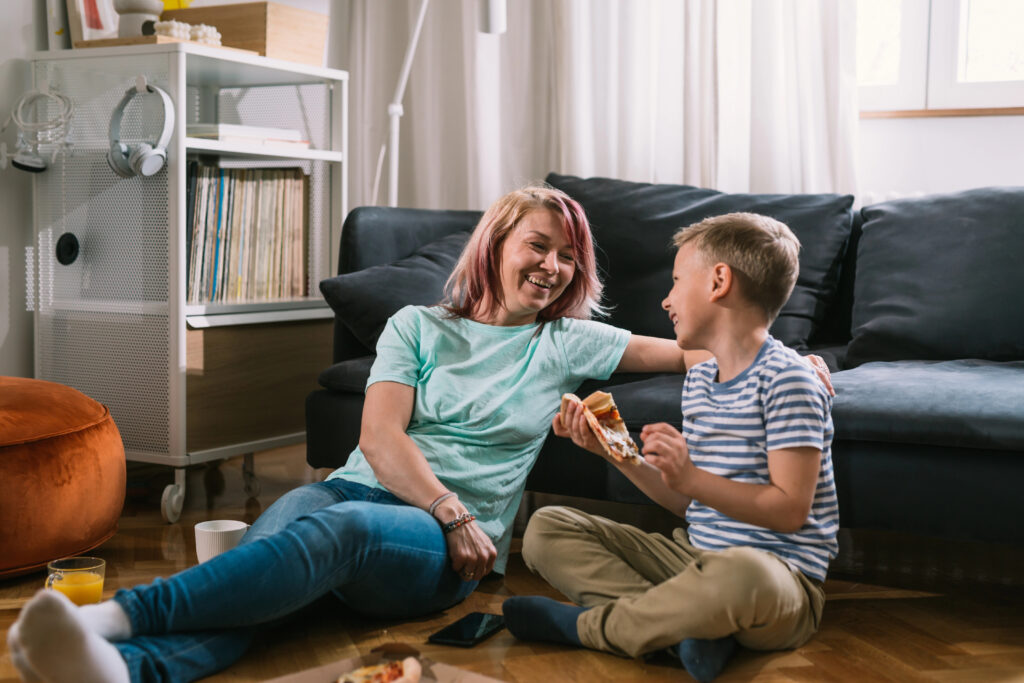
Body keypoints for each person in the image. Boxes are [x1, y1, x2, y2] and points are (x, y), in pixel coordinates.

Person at [7, 185, 710, 683]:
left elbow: (688, 351)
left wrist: (773, 352)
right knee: (269, 576)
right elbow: (379, 438)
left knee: (327, 537)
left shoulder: (566, 341)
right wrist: (449, 504)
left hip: (444, 548)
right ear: (495, 243)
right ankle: (130, 672)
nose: (553, 266)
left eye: (567, 255)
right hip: (370, 494)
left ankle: (117, 618)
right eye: (538, 245)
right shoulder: (417, 325)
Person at [502, 212, 839, 683]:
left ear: (720, 281)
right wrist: (617, 455)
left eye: (678, 281)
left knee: (744, 574)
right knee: (546, 527)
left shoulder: (790, 380)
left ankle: (594, 628)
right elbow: (689, 504)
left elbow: (790, 512)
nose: (666, 299)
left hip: (777, 582)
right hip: (691, 560)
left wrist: (692, 477)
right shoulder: (700, 378)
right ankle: (690, 629)